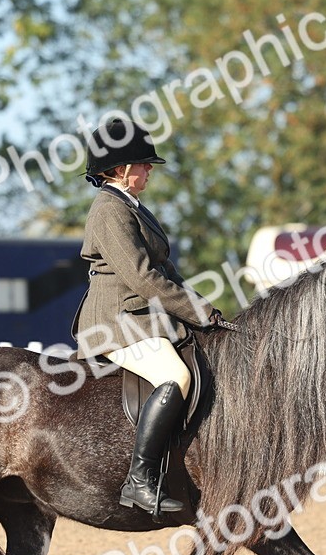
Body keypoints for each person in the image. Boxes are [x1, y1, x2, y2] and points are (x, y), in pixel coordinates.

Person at [71, 118, 223, 514]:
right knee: (177, 376)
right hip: (115, 320)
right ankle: (139, 481)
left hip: (141, 317)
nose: (149, 169)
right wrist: (197, 311)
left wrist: (202, 310)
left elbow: (166, 271)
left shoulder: (133, 207)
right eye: (143, 163)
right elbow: (142, 276)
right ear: (118, 169)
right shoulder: (109, 210)